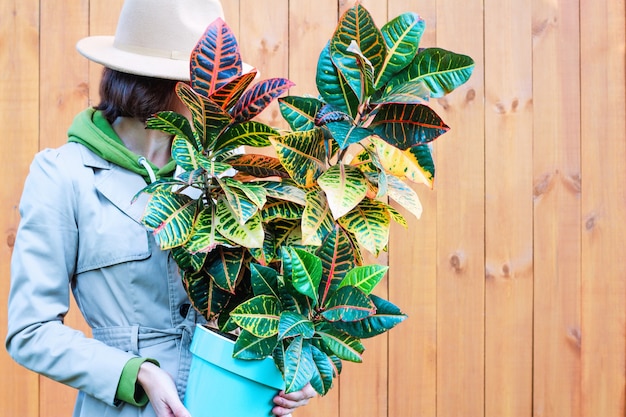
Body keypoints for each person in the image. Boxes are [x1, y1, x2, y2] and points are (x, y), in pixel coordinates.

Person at [5, 0, 316, 416]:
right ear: (165, 87)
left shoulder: (227, 170)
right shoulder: (64, 177)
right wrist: (138, 373)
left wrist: (290, 373)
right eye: (209, 85)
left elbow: (270, 299)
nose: (221, 99)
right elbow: (30, 332)